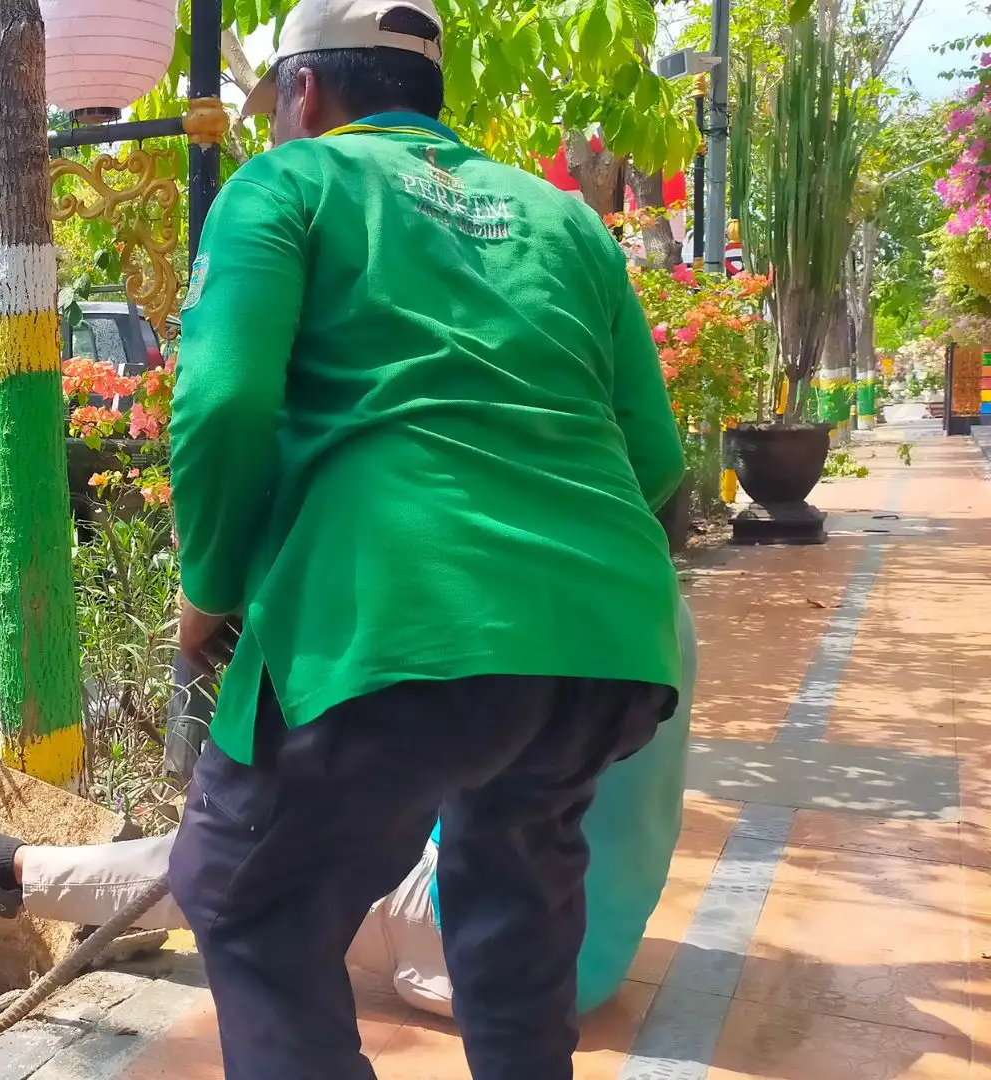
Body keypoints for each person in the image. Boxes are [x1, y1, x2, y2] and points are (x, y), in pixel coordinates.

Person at [159, 0, 688, 1075]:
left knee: (243, 895)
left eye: (277, 106)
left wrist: (207, 593)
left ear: (303, 92)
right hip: (600, 650)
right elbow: (659, 468)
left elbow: (221, 405)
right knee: (514, 905)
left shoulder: (288, 183)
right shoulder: (564, 220)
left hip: (393, 619)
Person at [0, 594, 698, 1021]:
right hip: (592, 948)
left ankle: (17, 874)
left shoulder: (500, 608)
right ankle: (127, 908)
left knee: (253, 849)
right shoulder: (647, 594)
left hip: (471, 948)